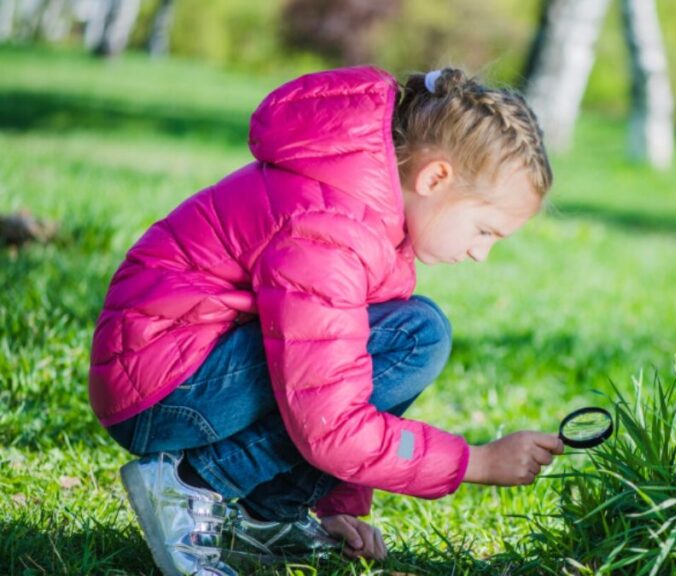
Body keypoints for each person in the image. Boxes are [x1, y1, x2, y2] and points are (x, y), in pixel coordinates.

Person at [88, 66, 563, 576]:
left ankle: (265, 513)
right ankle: (190, 484)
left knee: (408, 330)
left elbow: (338, 374)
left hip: (186, 374)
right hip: (162, 389)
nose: (481, 253)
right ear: (435, 178)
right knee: (416, 335)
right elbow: (329, 420)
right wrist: (476, 462)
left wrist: (335, 504)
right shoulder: (332, 228)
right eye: (485, 230)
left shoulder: (368, 217)